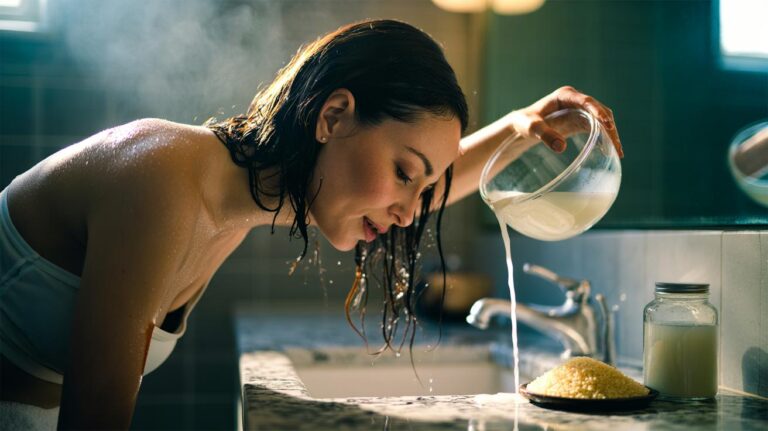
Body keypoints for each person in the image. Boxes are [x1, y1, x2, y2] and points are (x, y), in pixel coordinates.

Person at [0, 19, 623, 430]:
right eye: (405, 173)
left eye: (422, 185)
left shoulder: (227, 198)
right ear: (333, 115)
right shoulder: (159, 176)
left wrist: (518, 127)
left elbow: (429, 182)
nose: (412, 211)